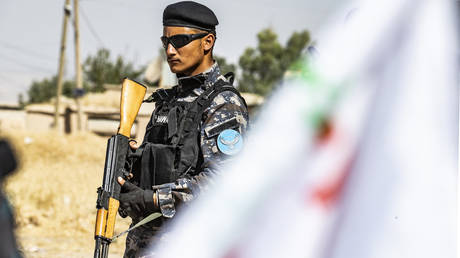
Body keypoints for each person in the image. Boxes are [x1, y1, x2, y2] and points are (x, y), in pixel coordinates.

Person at [116, 1, 249, 257]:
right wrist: (133, 167)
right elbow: (165, 168)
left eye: (179, 41)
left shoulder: (223, 103)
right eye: (165, 41)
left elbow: (222, 182)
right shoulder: (168, 101)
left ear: (207, 42)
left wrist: (152, 199)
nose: (169, 50)